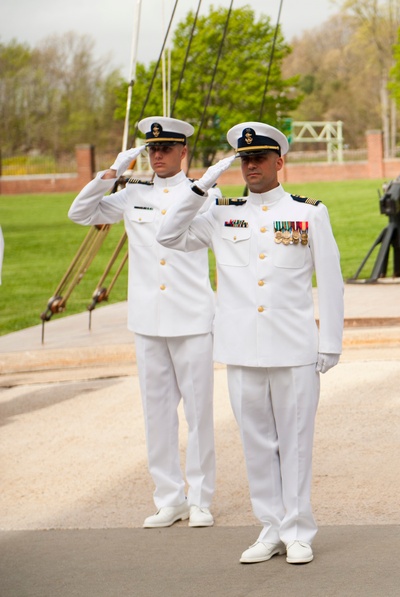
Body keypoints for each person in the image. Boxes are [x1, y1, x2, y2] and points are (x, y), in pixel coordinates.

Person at [157, 122, 345, 565]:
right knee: (256, 442)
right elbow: (167, 235)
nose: (250, 166)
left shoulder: (308, 213)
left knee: (296, 440)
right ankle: (270, 526)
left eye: (259, 158)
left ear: (280, 162)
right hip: (242, 348)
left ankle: (299, 530)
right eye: (244, 159)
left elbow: (331, 281)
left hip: (294, 348)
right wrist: (201, 186)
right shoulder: (222, 212)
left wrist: (330, 342)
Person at [68, 117, 218, 529]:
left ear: (183, 151)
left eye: (166, 149)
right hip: (148, 319)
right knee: (157, 413)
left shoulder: (204, 194)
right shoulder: (132, 191)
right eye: (152, 149)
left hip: (191, 317)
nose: (157, 155)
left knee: (199, 414)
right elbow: (80, 213)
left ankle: (201, 498)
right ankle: (169, 498)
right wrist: (111, 174)